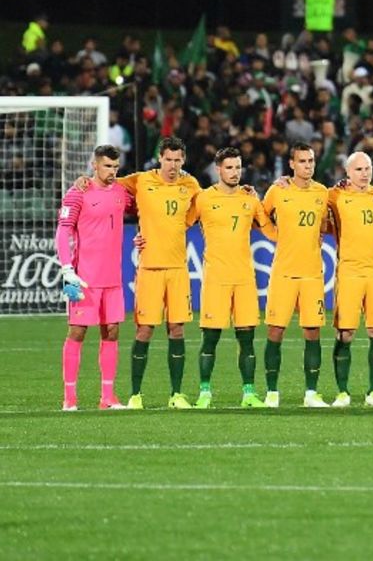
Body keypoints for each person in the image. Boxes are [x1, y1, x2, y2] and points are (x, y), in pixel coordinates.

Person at [78, 137, 202, 410]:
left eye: (178, 160)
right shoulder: (141, 180)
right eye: (168, 159)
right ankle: (135, 395)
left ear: (184, 160)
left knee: (177, 329)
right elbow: (107, 183)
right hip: (148, 269)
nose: (172, 165)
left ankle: (176, 395)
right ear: (160, 158)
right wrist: (84, 180)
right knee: (144, 330)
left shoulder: (190, 185)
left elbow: (198, 209)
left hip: (178, 269)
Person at [192, 148, 276, 408]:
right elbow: (179, 224)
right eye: (229, 167)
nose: (235, 172)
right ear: (218, 169)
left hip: (244, 279)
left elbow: (270, 231)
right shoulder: (203, 199)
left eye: (238, 167)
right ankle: (205, 392)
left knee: (247, 337)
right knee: (210, 338)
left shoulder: (250, 199)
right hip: (216, 278)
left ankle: (249, 393)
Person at [55, 145, 132, 411]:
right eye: (107, 166)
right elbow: (63, 231)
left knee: (112, 332)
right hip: (85, 277)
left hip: (113, 278)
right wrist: (67, 268)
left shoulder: (123, 192)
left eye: (115, 167)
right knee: (77, 332)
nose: (112, 171)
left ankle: (108, 398)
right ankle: (70, 398)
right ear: (94, 165)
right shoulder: (79, 192)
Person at [260, 143, 330, 408]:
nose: (308, 166)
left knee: (312, 332)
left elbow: (325, 222)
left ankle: (311, 393)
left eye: (311, 161)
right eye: (302, 161)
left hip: (312, 273)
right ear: (292, 164)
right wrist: (275, 235)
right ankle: (272, 393)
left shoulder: (322, 192)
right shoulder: (278, 191)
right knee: (275, 331)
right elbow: (260, 215)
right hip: (284, 273)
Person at [327, 151, 373, 407]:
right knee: (345, 333)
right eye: (358, 169)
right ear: (347, 173)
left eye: (367, 168)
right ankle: (343, 392)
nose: (364, 173)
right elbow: (310, 199)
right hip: (349, 271)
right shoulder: (335, 196)